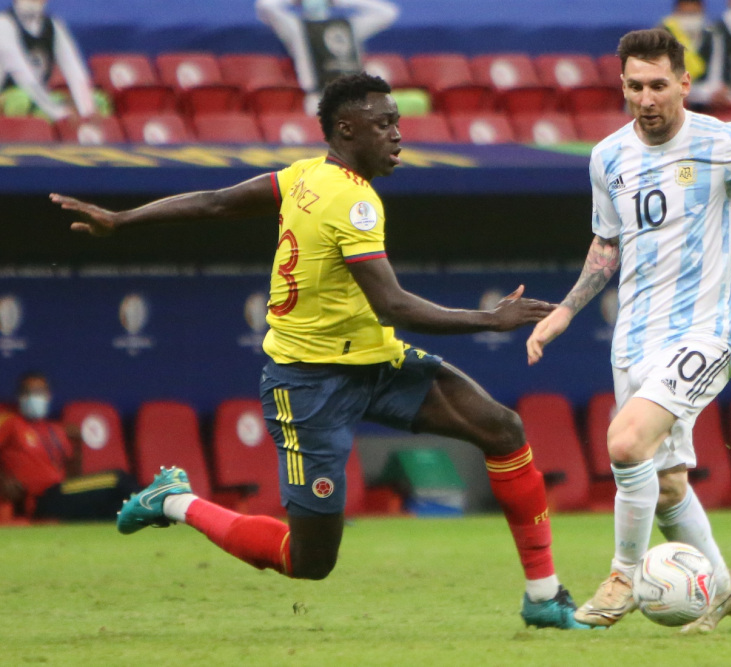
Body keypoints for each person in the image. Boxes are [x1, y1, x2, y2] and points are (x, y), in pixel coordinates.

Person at [50, 72, 592, 631]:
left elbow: (215, 202)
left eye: (397, 122)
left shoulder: (303, 177)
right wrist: (489, 318)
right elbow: (394, 305)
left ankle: (544, 596)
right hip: (311, 384)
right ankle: (174, 501)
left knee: (502, 429)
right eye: (384, 125)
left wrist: (123, 219)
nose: (397, 135)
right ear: (346, 129)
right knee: (309, 562)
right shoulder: (352, 202)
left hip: (375, 362)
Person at [526, 29, 731, 632]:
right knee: (666, 486)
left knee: (623, 443)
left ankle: (621, 577)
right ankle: (720, 588)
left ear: (684, 83)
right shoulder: (607, 157)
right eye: (635, 86)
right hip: (633, 340)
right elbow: (607, 243)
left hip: (703, 333)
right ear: (622, 85)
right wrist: (566, 309)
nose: (647, 98)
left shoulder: (724, 142)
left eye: (659, 85)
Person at [0, 372, 137, 520]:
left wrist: (77, 448)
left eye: (39, 392)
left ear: (48, 396)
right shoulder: (11, 424)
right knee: (117, 479)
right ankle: (159, 506)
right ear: (19, 396)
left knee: (114, 505)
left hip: (63, 491)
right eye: (28, 392)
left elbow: (73, 475)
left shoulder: (56, 430)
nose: (34, 397)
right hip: (40, 498)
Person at [256, 0, 399, 113]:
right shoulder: (297, 29)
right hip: (320, 98)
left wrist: (342, 1)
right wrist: (294, 1)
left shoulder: (349, 26)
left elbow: (388, 12)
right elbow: (264, 7)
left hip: (356, 98)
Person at [0, 0, 105, 120]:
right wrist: (57, 112)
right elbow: (22, 75)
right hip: (8, 97)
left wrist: (87, 110)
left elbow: (74, 69)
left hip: (39, 97)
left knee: (100, 101)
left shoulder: (53, 25)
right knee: (22, 100)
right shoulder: (3, 24)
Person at [656, 0, 713, 105]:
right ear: (677, 11)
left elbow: (716, 74)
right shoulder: (663, 34)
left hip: (705, 97)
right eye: (686, 14)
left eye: (693, 14)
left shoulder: (711, 36)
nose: (690, 18)